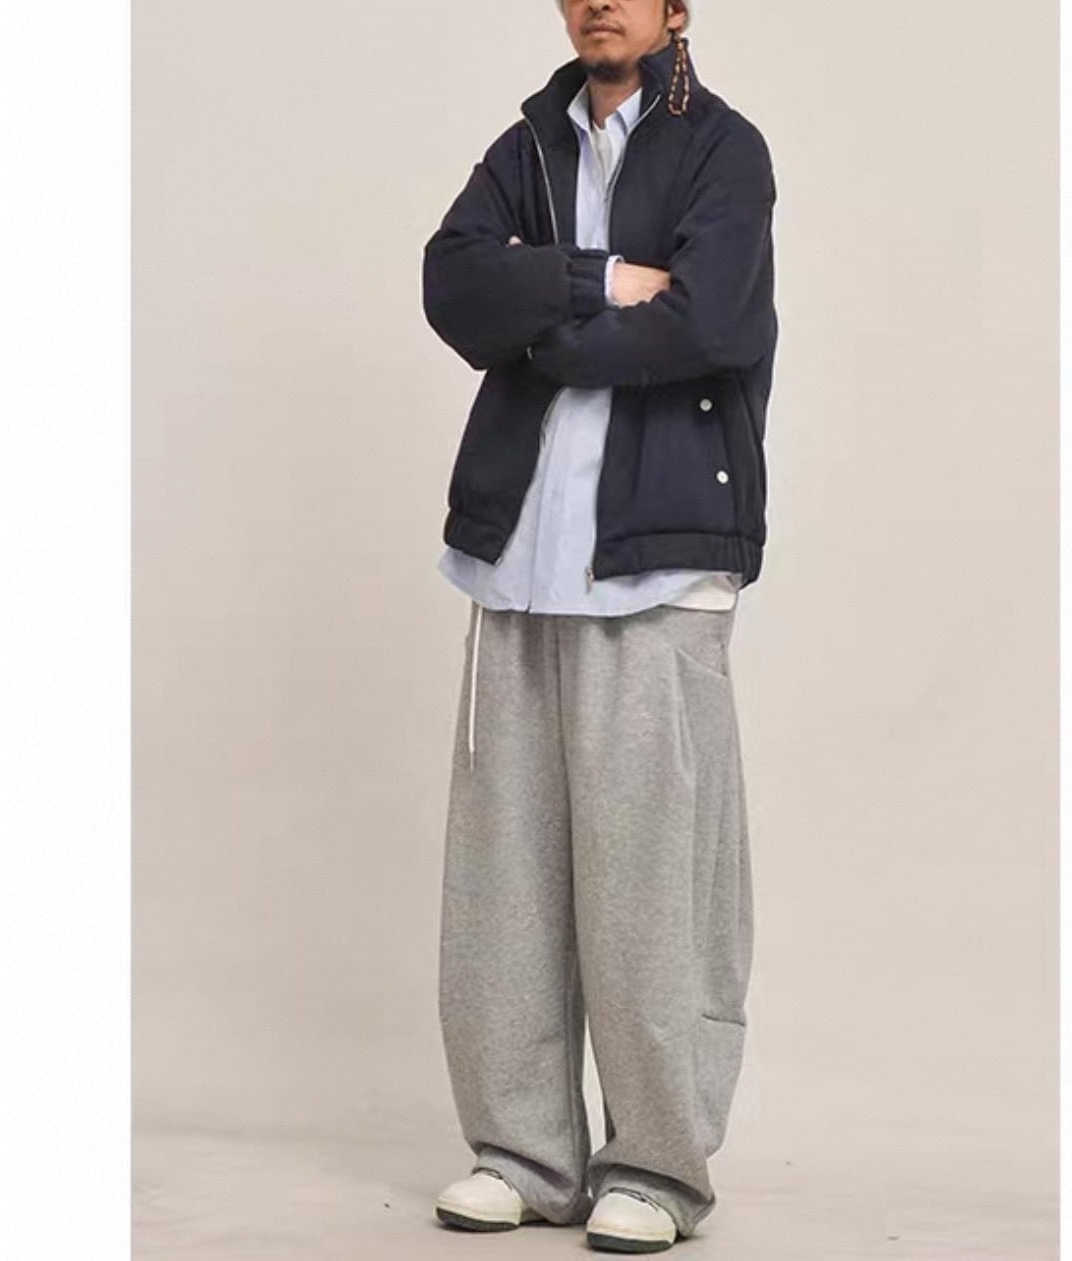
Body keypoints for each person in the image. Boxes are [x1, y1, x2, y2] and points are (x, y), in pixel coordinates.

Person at [421, 0, 777, 1251]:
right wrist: (596, 283)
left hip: (654, 566)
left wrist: (537, 333)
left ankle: (658, 1169)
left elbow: (710, 323)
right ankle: (522, 1154)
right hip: (515, 560)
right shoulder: (525, 144)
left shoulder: (723, 149)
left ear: (677, 9)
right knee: (503, 886)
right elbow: (454, 287)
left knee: (652, 892)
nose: (599, 2)